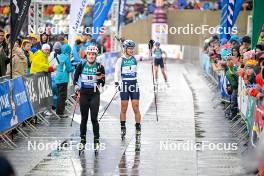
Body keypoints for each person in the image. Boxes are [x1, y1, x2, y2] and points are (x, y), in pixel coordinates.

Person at [73, 45, 105, 152]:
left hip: (95, 94)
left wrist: (100, 78)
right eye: (89, 54)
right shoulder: (81, 65)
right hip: (84, 94)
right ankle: (83, 140)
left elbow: (102, 83)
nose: (91, 56)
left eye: (93, 55)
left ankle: (96, 140)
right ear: (87, 55)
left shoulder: (100, 66)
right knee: (84, 118)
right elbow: (75, 78)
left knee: (94, 119)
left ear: (96, 56)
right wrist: (76, 87)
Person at [114, 40, 142, 140]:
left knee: (136, 107)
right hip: (125, 86)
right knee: (124, 108)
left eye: (132, 48)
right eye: (129, 48)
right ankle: (123, 127)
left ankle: (138, 127)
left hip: (134, 85)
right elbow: (116, 73)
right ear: (125, 49)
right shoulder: (120, 60)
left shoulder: (135, 58)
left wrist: (151, 50)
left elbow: (147, 57)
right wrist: (117, 83)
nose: (131, 50)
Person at [55, 44, 74, 118]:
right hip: (64, 78)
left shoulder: (59, 56)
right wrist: (74, 67)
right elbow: (69, 69)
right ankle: (60, 112)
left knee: (59, 95)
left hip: (57, 77)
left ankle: (58, 111)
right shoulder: (66, 57)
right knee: (62, 96)